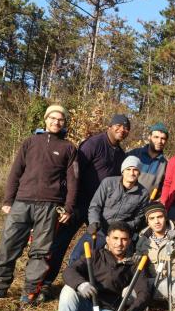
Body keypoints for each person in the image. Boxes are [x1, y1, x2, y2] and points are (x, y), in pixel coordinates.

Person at [0, 105, 78, 305]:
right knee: (7, 245)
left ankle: (30, 292)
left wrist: (68, 207)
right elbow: (15, 172)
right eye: (52, 118)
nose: (56, 122)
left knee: (40, 251)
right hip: (22, 202)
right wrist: (8, 200)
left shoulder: (68, 147)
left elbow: (73, 181)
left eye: (60, 119)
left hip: (50, 205)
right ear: (46, 120)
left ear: (64, 123)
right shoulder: (30, 142)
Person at [43, 113, 130, 298]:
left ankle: (83, 280)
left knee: (96, 244)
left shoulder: (121, 154)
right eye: (119, 126)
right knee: (60, 243)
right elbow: (74, 171)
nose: (122, 130)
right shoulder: (94, 143)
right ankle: (45, 282)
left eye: (126, 128)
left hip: (99, 209)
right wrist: (68, 201)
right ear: (110, 126)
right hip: (78, 203)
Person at [56, 221, 150, 311]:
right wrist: (81, 284)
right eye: (115, 238)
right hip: (87, 305)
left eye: (124, 239)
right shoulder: (94, 255)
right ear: (107, 239)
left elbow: (144, 293)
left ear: (129, 241)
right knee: (68, 290)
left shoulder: (134, 265)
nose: (119, 243)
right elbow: (69, 271)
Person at [67, 156, 149, 264]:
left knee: (106, 264)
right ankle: (73, 280)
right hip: (99, 229)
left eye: (135, 170)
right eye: (128, 169)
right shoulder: (108, 183)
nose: (131, 173)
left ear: (139, 173)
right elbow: (95, 205)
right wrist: (94, 222)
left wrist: (121, 228)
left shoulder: (143, 194)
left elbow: (138, 218)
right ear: (123, 171)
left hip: (119, 235)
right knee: (77, 257)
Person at [135, 202, 175, 308]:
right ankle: (154, 303)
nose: (156, 221)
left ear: (165, 217)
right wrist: (136, 261)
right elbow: (139, 269)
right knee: (127, 294)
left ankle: (170, 304)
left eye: (160, 217)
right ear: (147, 221)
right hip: (152, 282)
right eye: (152, 218)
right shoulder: (143, 237)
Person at [127, 122, 169, 198]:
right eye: (156, 137)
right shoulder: (134, 154)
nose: (159, 141)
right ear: (149, 137)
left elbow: (163, 188)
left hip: (146, 206)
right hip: (125, 199)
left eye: (163, 138)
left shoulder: (165, 164)